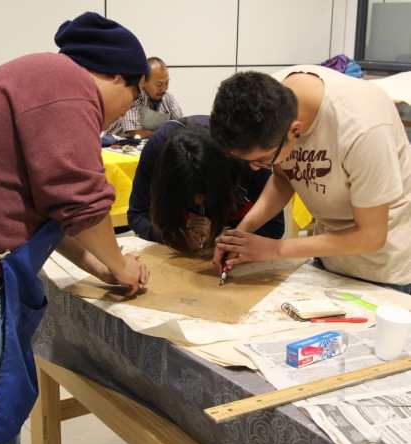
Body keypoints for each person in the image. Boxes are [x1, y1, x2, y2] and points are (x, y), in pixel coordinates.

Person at [0, 12, 150, 444]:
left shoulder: (44, 77)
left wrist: (99, 265)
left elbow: (53, 209)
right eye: (133, 96)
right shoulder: (66, 83)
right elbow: (81, 197)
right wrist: (121, 265)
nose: (125, 113)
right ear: (118, 76)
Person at [210, 65, 411, 293]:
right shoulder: (267, 102)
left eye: (263, 160)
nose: (255, 168)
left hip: (385, 268)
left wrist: (275, 249)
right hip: (330, 256)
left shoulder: (363, 130)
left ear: (295, 130)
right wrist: (242, 234)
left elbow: (372, 236)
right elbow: (284, 179)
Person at [128, 115, 284, 253]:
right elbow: (137, 215)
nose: (198, 202)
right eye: (189, 195)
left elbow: (274, 228)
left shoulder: (248, 157)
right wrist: (173, 236)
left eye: (206, 194)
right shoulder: (158, 149)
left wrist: (222, 233)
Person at [107, 56, 183, 138]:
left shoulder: (168, 98)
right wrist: (166, 134)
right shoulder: (134, 98)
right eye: (159, 84)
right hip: (118, 142)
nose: (164, 88)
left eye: (167, 83)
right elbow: (134, 133)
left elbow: (181, 126)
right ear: (143, 82)